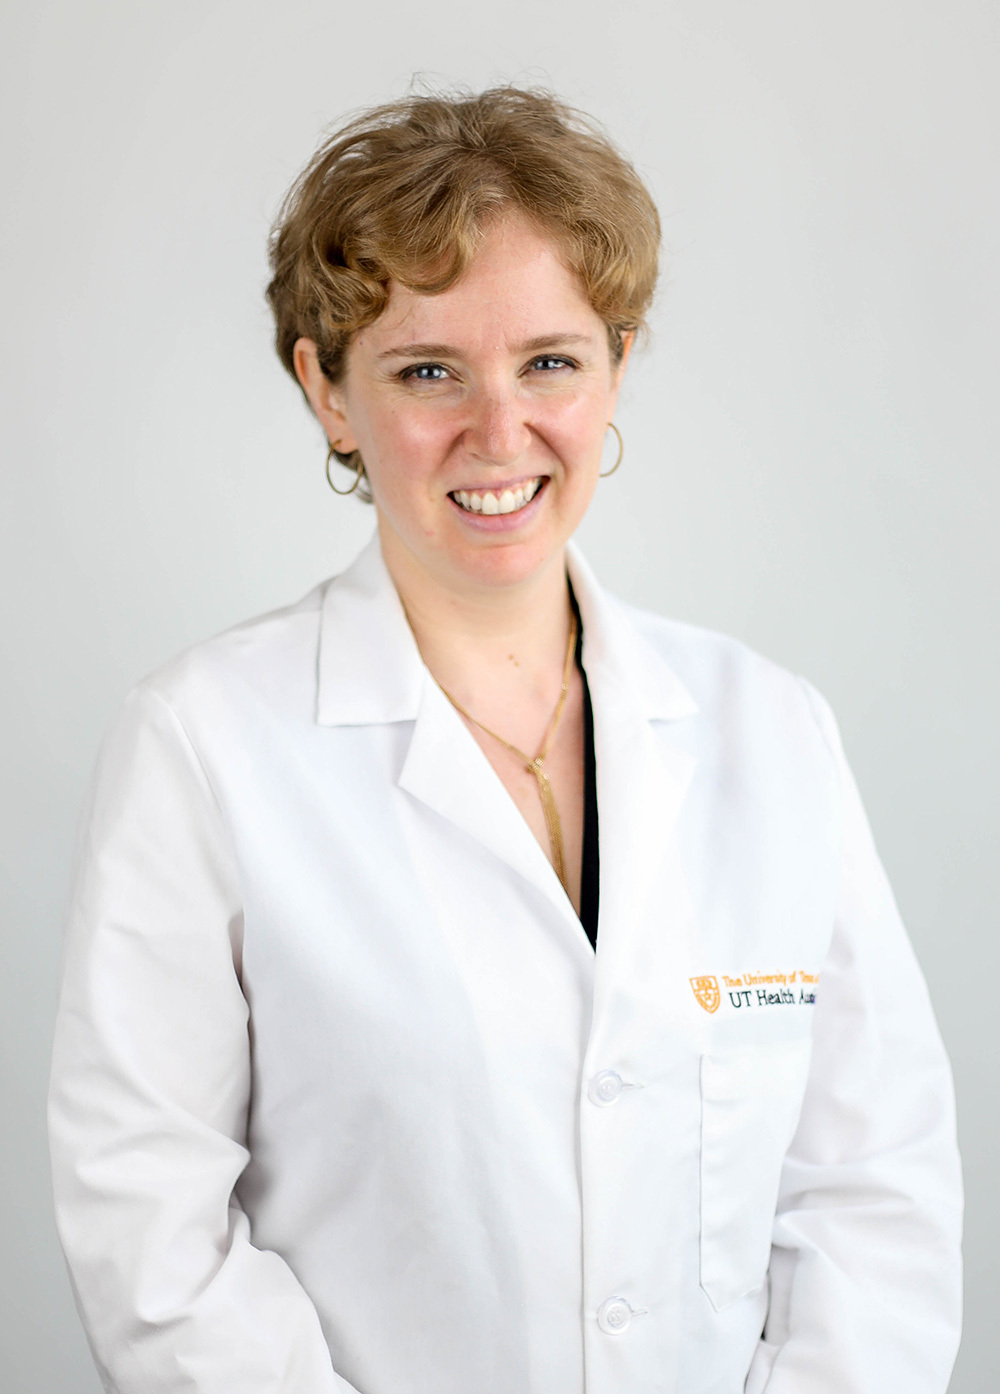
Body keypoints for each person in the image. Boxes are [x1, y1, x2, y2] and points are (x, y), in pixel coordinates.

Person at [48, 87, 962, 1394]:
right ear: (328, 392)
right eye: (429, 371)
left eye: (550, 361)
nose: (500, 430)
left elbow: (877, 1190)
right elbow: (150, 1225)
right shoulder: (203, 745)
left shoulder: (771, 731)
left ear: (617, 364)